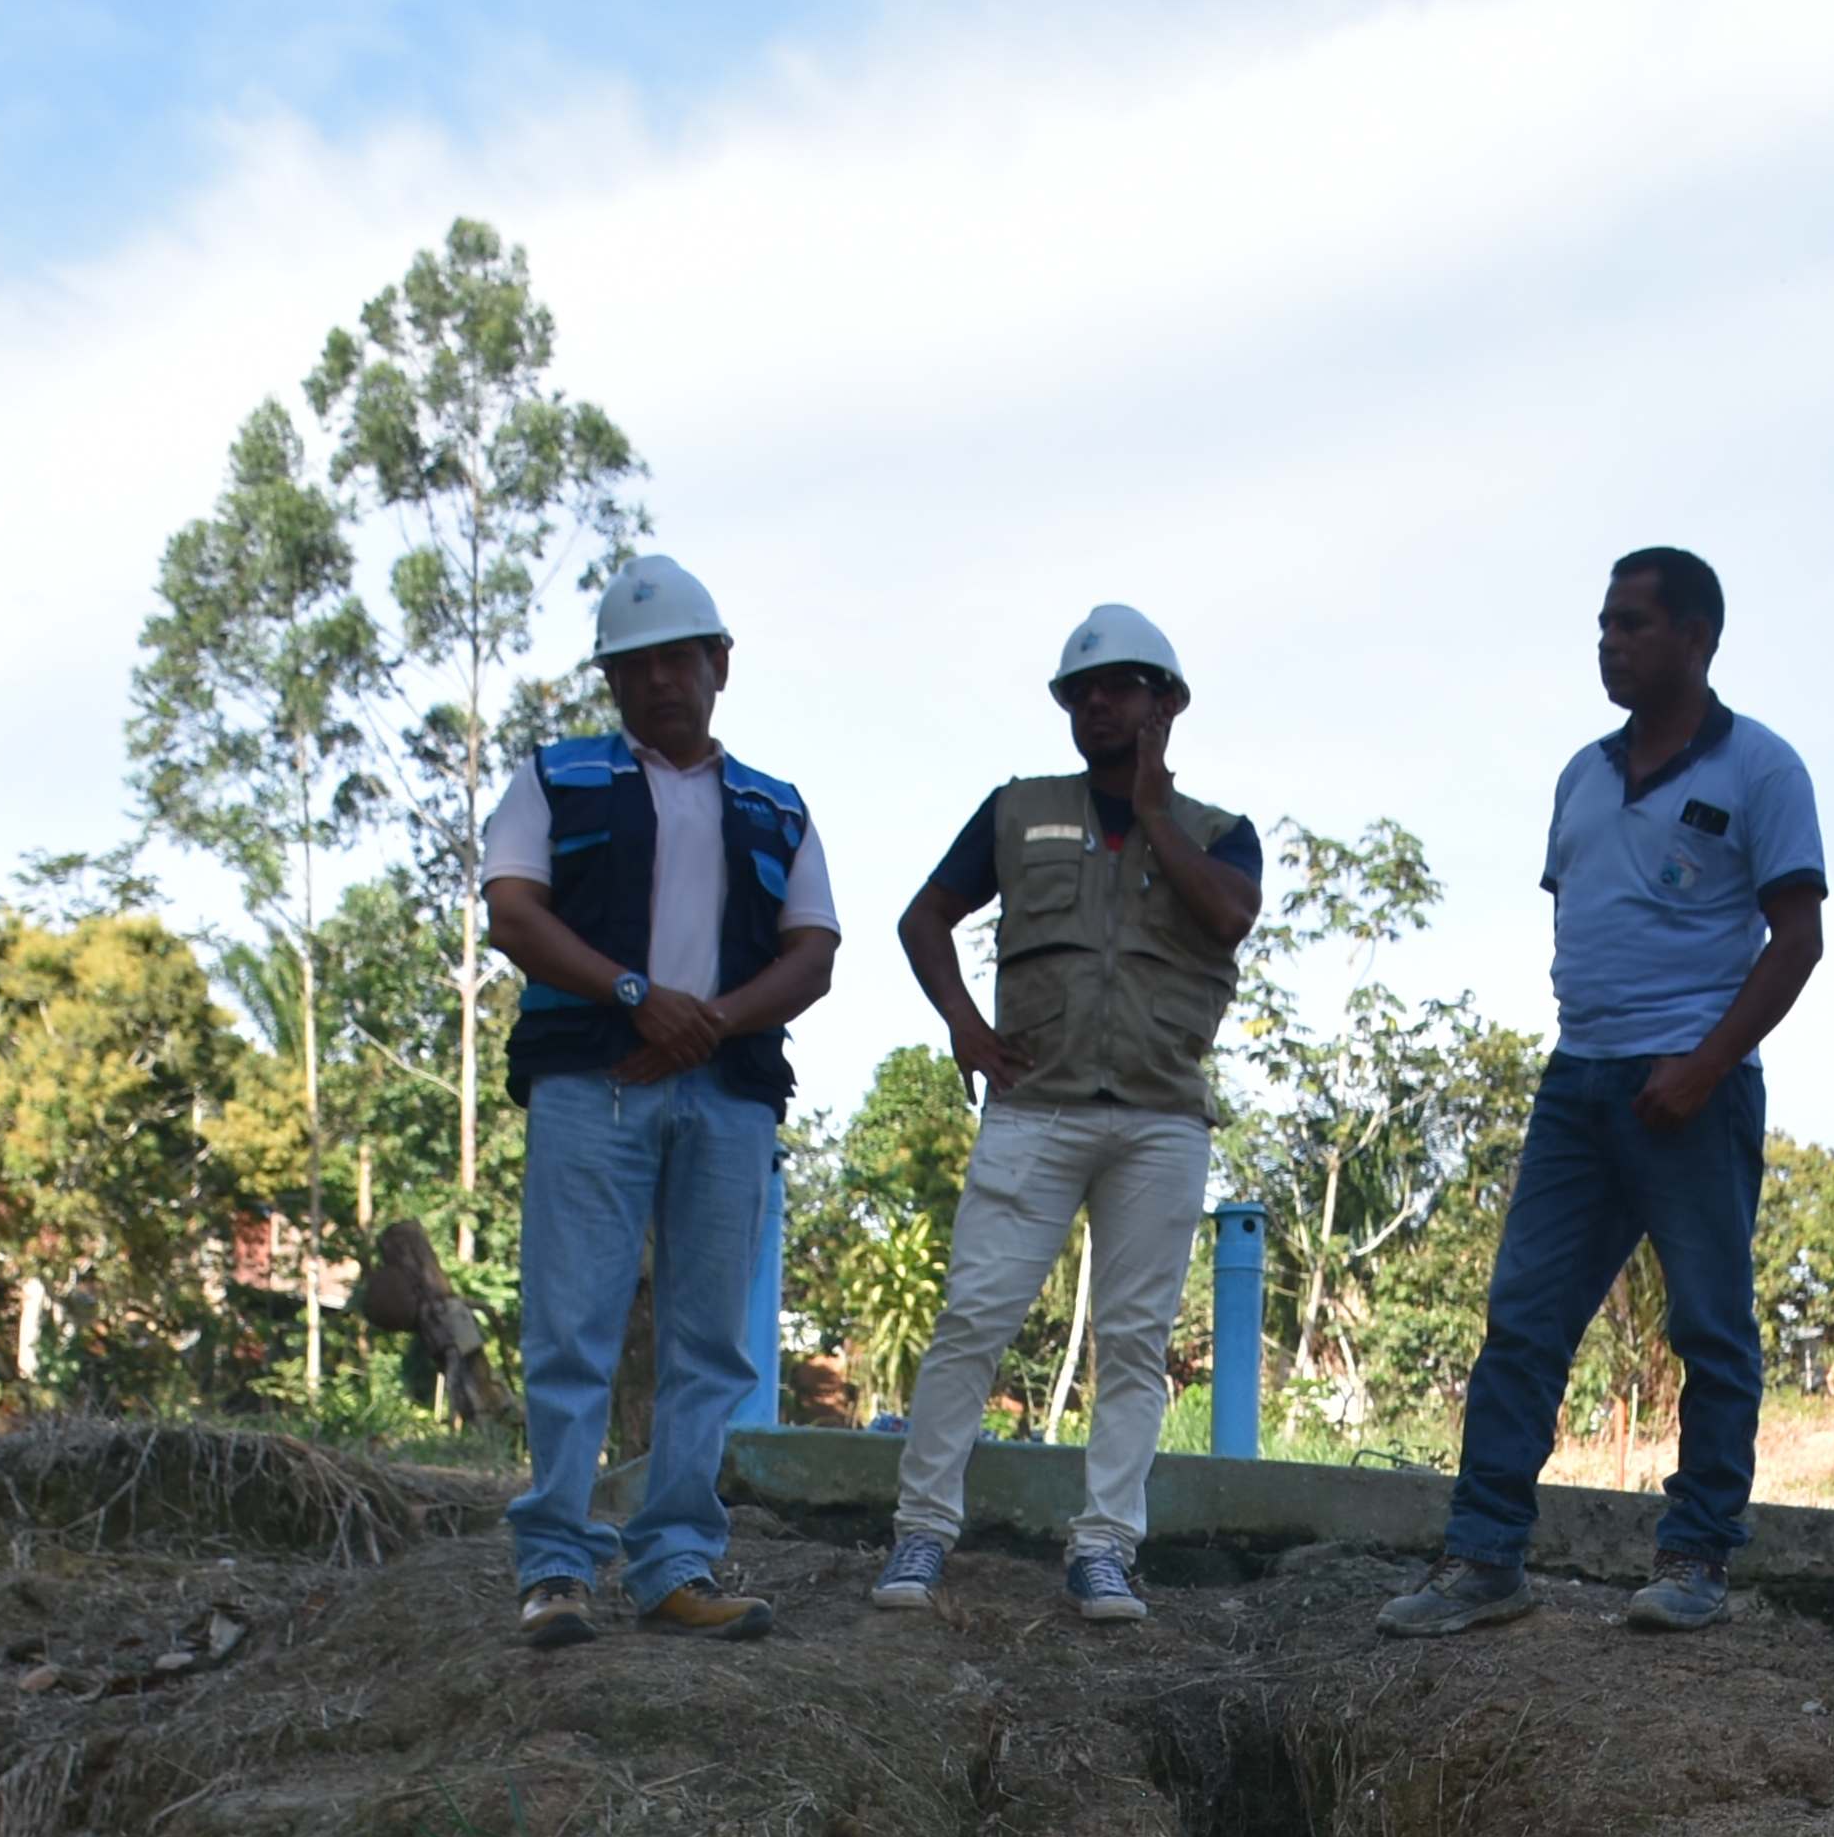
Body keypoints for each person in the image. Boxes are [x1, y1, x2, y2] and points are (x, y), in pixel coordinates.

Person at [1379, 545, 1824, 1638]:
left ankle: (1698, 1557)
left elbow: (1799, 942)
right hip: (1578, 1082)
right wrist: (1603, 1046)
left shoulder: (1761, 769)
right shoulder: (1581, 775)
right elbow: (1587, 915)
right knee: (1524, 1319)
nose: (1609, 643)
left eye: (1633, 625)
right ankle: (1483, 1557)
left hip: (1695, 1091)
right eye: (1603, 624)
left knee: (1710, 1328)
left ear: (1696, 639)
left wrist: (1704, 1064)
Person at [477, 552, 842, 1646]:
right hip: (594, 1087)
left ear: (718, 663)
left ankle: (677, 1562)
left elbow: (814, 952)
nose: (656, 683)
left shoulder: (774, 807)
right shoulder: (556, 777)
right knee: (572, 1323)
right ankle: (555, 1565)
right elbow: (514, 911)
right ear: (611, 682)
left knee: (710, 1341)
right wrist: (635, 997)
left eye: (676, 659)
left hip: (727, 1095)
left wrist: (707, 1023)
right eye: (631, 668)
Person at [876, 602, 1263, 1626]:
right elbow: (923, 917)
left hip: (1160, 1120)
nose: (1099, 702)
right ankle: (921, 1531)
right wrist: (963, 1022)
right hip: (1034, 1105)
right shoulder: (1016, 810)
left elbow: (1228, 917)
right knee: (972, 1319)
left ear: (1166, 703)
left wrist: (1155, 805)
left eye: (1121, 687)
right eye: (1082, 691)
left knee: (1134, 1343)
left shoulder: (1222, 834)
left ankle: (1104, 1549)